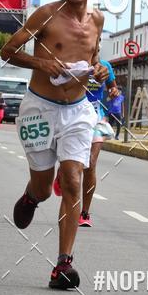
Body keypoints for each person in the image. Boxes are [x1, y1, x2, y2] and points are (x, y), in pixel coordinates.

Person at [1, 0, 106, 289]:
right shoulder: (45, 14)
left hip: (77, 110)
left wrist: (100, 69)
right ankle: (32, 196)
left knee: (73, 179)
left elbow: (93, 57)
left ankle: (63, 264)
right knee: (45, 187)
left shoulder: (98, 20)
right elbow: (7, 51)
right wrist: (41, 62)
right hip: (39, 109)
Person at [52, 57, 117, 228]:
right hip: (73, 114)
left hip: (97, 116)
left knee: (90, 163)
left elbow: (113, 87)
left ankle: (85, 212)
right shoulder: (71, 61)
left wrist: (114, 92)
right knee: (75, 164)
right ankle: (63, 171)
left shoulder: (105, 66)